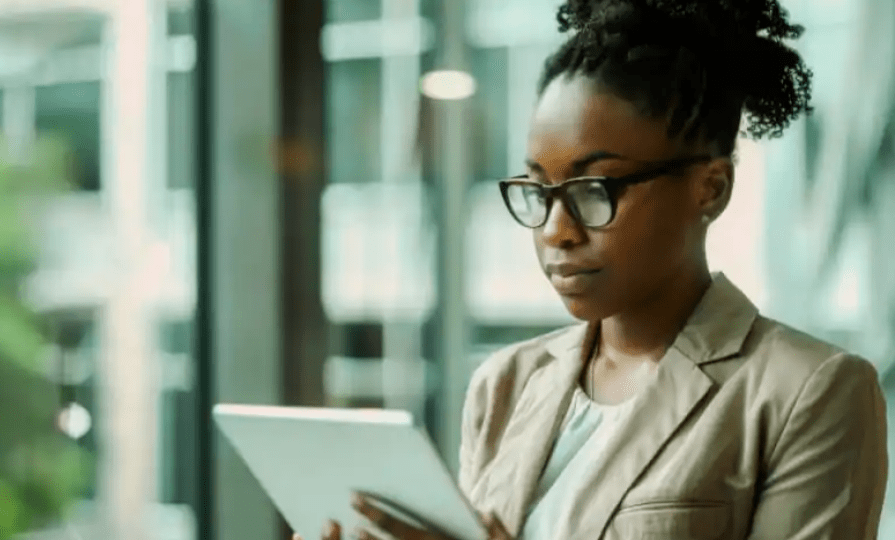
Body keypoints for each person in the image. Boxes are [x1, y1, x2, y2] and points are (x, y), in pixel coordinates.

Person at [298, 0, 889, 538]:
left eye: (594, 189)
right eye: (539, 190)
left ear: (710, 187)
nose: (555, 230)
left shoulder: (807, 391)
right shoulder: (505, 383)